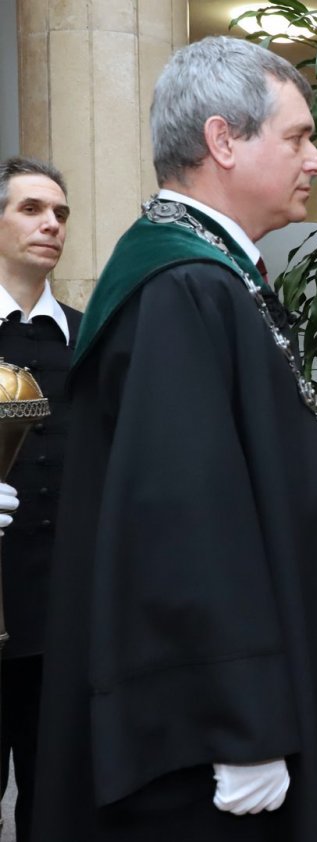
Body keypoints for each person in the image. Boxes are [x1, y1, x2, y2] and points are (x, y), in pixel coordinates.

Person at [31, 37, 317, 841]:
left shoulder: (210, 276)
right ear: (223, 140)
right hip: (215, 746)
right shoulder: (182, 286)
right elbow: (185, 522)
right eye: (297, 137)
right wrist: (240, 723)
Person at [0, 155, 78, 842]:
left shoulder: (89, 335)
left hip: (65, 618)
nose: (51, 223)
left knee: (57, 803)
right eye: (31, 209)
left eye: (60, 212)